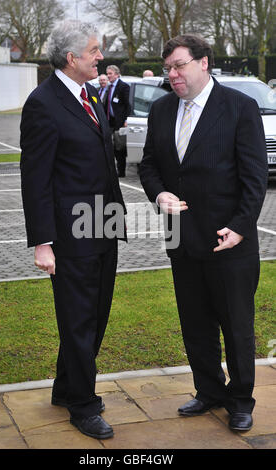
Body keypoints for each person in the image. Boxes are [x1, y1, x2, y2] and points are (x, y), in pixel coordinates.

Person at [139, 34, 268, 432]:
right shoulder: (161, 111)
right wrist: (159, 193)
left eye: (179, 65)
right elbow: (148, 166)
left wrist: (242, 228)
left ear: (203, 63)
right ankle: (209, 390)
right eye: (168, 69)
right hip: (182, 239)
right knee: (195, 324)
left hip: (229, 240)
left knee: (236, 325)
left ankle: (241, 398)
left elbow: (255, 176)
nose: (173, 74)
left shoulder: (239, 108)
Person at [20, 20, 126, 440]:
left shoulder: (90, 94)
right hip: (71, 236)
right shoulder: (43, 103)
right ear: (71, 58)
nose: (101, 56)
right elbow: (35, 177)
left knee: (94, 316)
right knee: (79, 320)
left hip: (103, 227)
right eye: (94, 50)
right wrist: (43, 242)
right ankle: (84, 405)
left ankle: (66, 388)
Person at [105, 65, 130, 177]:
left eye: (110, 73)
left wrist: (126, 119)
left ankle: (121, 171)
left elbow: (127, 105)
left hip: (120, 122)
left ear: (116, 74)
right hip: (110, 121)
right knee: (111, 146)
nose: (108, 76)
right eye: (107, 73)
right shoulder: (109, 87)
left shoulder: (123, 86)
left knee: (119, 147)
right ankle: (112, 169)